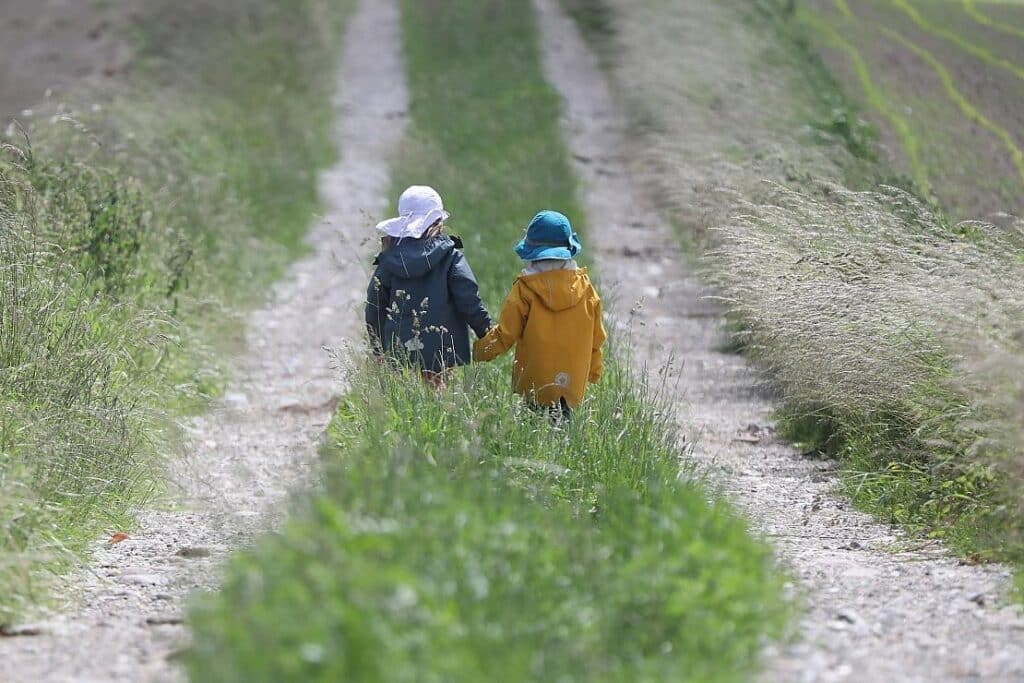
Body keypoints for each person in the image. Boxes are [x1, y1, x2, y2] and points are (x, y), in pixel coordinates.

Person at [473, 210, 606, 421]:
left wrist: (479, 351)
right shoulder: (586, 289)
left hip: (534, 381)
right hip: (572, 381)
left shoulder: (525, 289)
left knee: (533, 428)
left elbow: (506, 334)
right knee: (563, 429)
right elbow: (597, 338)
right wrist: (594, 370)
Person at [365, 185, 492, 386]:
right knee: (437, 391)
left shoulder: (390, 259)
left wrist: (378, 347)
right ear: (438, 221)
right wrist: (486, 331)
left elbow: (374, 303)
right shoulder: (450, 257)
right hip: (442, 345)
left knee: (405, 395)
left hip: (399, 346)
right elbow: (468, 299)